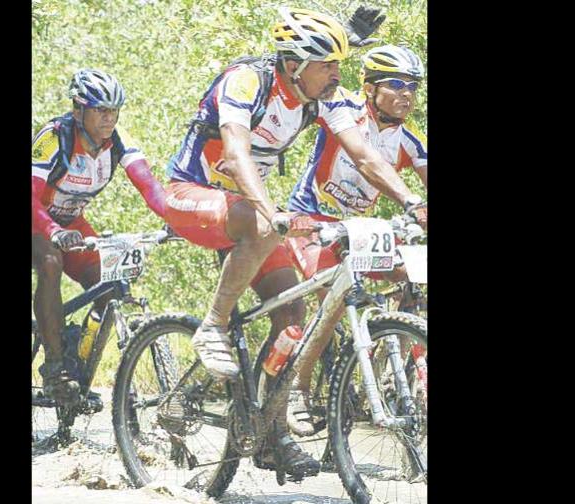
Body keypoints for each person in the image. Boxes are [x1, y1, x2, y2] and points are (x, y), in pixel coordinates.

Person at [161, 6, 425, 477]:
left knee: (291, 315)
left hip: (245, 209)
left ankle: (270, 431)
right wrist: (269, 210)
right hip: (189, 194)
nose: (338, 75)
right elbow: (237, 151)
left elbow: (364, 156)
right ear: (295, 65)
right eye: (329, 67)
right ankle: (213, 325)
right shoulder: (245, 82)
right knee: (261, 227)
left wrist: (411, 202)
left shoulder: (322, 93)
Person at [283, 44, 428, 435]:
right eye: (395, 84)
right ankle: (297, 388)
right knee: (331, 303)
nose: (406, 94)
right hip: (311, 224)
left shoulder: (410, 143)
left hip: (357, 231)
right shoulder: (343, 109)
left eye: (413, 86)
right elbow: (311, 81)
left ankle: (389, 348)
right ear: (369, 88)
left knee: (412, 275)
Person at [32, 69, 166, 407]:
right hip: (39, 219)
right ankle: (55, 366)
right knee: (50, 262)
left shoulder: (118, 141)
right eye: (100, 110)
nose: (109, 118)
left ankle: (78, 362)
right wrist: (53, 231)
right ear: (78, 110)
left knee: (109, 285)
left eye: (114, 110)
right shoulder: (55, 136)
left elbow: (151, 189)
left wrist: (178, 220)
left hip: (69, 222)